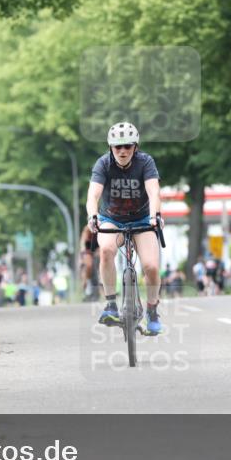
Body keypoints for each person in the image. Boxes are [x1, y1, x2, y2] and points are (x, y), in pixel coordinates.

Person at [86, 121, 164, 335]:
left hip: (142, 220)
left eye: (127, 146)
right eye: (117, 147)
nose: (122, 151)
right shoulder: (103, 164)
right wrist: (93, 216)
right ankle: (111, 304)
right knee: (106, 249)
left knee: (151, 267)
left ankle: (152, 310)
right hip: (112, 219)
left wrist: (154, 216)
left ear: (135, 147)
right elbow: (93, 195)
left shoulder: (145, 162)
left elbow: (153, 191)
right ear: (110, 147)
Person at [79, 223, 99, 300]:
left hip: (97, 249)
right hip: (87, 251)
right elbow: (83, 244)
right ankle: (87, 284)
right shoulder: (87, 229)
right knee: (89, 265)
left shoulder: (102, 226)